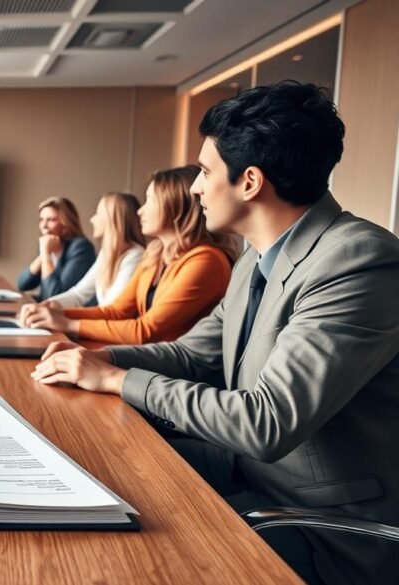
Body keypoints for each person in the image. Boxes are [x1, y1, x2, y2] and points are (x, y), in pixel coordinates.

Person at [31, 82, 399, 584]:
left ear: (250, 182)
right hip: (254, 476)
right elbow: (191, 356)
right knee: (84, 463)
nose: (196, 188)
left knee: (124, 560)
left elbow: (266, 422)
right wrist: (101, 360)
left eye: (205, 172)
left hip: (327, 527)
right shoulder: (253, 260)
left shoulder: (357, 261)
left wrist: (115, 381)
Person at [20, 166, 237, 345]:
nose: (140, 211)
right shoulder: (156, 254)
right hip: (151, 358)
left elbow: (145, 330)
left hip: (177, 373)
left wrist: (67, 323)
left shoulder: (205, 261)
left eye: (150, 200)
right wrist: (57, 313)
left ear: (175, 206)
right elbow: (117, 311)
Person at [38, 192, 145, 309]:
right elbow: (78, 295)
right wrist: (46, 305)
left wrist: (58, 315)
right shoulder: (106, 254)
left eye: (98, 214)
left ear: (113, 220)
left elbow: (111, 309)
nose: (92, 219)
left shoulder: (136, 255)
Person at [16, 197, 96, 300]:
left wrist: (45, 253)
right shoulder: (48, 244)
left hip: (69, 308)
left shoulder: (81, 247)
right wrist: (43, 255)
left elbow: (55, 295)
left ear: (66, 223)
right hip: (49, 305)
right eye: (41, 220)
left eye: (51, 220)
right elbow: (22, 284)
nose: (44, 226)